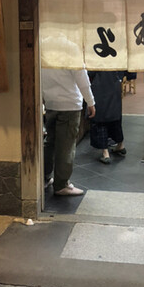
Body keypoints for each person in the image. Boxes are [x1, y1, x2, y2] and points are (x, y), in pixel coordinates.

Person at [42, 68, 96, 196]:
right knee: (66, 146)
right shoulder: (72, 56)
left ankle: (44, 177)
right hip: (69, 104)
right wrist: (91, 102)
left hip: (50, 102)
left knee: (50, 142)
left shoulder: (43, 56)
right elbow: (83, 81)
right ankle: (61, 185)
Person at [88, 71, 126, 164]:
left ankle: (105, 153)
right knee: (115, 118)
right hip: (114, 85)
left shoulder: (97, 60)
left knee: (100, 120)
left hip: (100, 87)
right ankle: (120, 145)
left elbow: (90, 72)